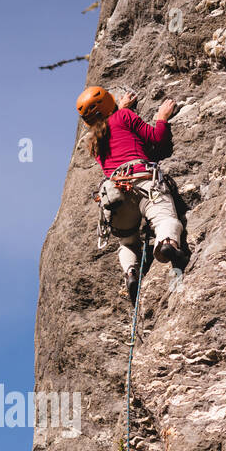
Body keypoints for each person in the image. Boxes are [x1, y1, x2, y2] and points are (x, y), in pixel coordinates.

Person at [77, 85, 188, 301]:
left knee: (127, 242)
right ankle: (166, 244)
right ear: (111, 104)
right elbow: (157, 140)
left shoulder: (93, 143)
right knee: (163, 217)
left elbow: (109, 127)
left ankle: (131, 271)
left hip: (116, 195)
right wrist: (162, 117)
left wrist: (118, 108)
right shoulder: (124, 116)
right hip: (143, 181)